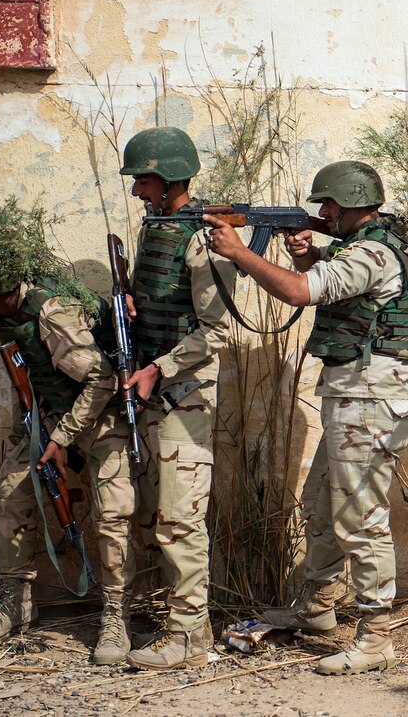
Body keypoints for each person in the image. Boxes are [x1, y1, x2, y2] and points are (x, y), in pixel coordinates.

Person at [205, 160, 408, 675]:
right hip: (353, 397)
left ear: (349, 204)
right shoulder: (363, 246)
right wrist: (310, 255)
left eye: (328, 206)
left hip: (367, 401)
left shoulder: (372, 250)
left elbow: (301, 293)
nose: (321, 213)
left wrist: (239, 253)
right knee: (322, 504)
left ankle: (375, 637)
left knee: (362, 518)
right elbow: (332, 283)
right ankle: (318, 608)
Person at [0, 230, 136, 666]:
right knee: (12, 494)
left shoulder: (52, 315)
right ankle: (16, 602)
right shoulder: (4, 313)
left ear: (2, 287)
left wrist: (62, 439)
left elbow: (102, 379)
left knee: (112, 510)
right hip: (50, 415)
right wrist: (39, 429)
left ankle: (117, 613)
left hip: (98, 417)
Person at [117, 126, 235, 670]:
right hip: (155, 390)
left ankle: (191, 635)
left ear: (167, 180)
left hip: (184, 396)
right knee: (158, 514)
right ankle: (174, 619)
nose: (137, 190)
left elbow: (216, 330)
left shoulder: (202, 238)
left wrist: (157, 368)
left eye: (142, 180)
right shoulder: (157, 229)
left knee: (180, 516)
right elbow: (170, 307)